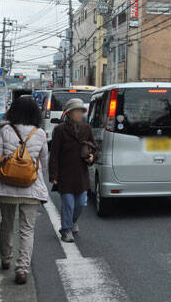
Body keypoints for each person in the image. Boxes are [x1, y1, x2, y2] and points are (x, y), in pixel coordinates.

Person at [0, 97, 49, 285]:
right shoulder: (40, 133)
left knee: (6, 224)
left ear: (14, 111)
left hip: (6, 187)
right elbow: (44, 163)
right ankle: (22, 269)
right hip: (31, 188)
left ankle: (5, 258)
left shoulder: (5, 130)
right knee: (27, 230)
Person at [49, 98, 96, 243]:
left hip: (81, 173)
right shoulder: (59, 130)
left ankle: (72, 221)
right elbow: (54, 154)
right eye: (77, 111)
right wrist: (53, 175)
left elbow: (94, 148)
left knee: (81, 203)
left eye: (81, 111)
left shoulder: (87, 128)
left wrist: (92, 157)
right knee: (68, 204)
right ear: (69, 113)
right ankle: (66, 230)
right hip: (65, 174)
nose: (80, 114)